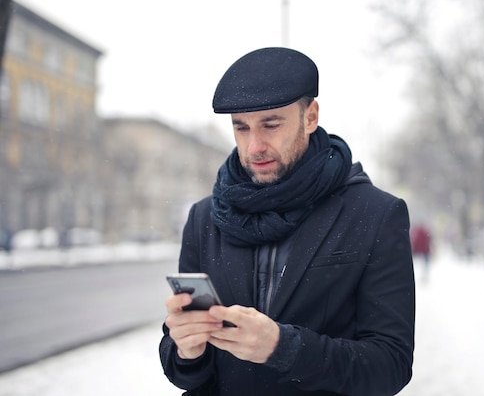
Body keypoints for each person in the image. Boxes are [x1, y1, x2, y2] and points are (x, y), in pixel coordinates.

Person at [159, 47, 415, 396]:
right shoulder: (205, 217)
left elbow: (391, 365)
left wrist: (285, 348)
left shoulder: (375, 214)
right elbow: (184, 370)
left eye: (271, 124)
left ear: (310, 117)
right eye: (241, 128)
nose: (254, 147)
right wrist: (187, 351)